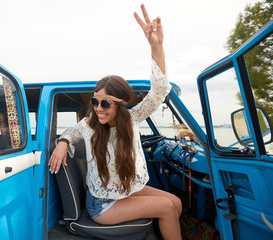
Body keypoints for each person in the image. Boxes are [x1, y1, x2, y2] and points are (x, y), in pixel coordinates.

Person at [48, 4, 182, 240]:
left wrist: (156, 47)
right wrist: (63, 142)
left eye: (106, 103)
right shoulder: (89, 125)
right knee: (168, 207)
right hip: (103, 204)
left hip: (126, 192)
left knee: (176, 202)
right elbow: (70, 131)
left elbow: (159, 91)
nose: (99, 109)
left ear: (120, 104)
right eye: (95, 101)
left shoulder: (132, 118)